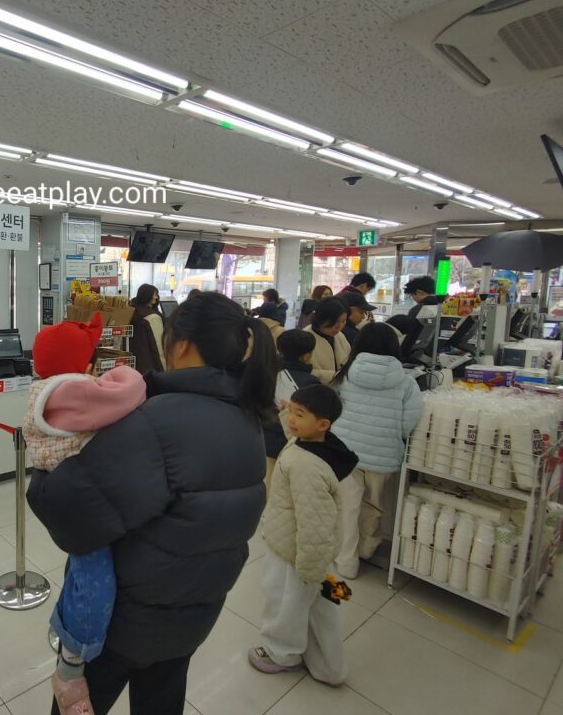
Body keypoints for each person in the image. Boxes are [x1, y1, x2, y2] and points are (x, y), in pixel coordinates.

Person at [28, 292, 277, 715]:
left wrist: (47, 462)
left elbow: (67, 509)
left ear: (181, 345)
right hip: (196, 611)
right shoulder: (249, 419)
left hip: (124, 621)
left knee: (78, 703)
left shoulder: (157, 422)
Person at [23, 312, 146, 715]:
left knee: (79, 570)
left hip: (68, 503)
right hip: (86, 508)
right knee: (97, 581)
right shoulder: (73, 390)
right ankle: (74, 661)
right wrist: (114, 372)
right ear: (82, 364)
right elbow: (132, 389)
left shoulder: (46, 389)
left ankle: (65, 630)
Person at [249, 384, 358, 685]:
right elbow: (294, 433)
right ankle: (329, 665)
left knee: (285, 604)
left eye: (300, 414)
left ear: (322, 424)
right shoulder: (320, 445)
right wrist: (290, 411)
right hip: (314, 555)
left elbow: (315, 521)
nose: (292, 420)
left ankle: (280, 653)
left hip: (294, 553)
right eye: (292, 412)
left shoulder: (305, 466)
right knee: (323, 609)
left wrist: (310, 566)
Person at [331, 323, 423, 579]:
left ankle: (346, 561)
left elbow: (334, 409)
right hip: (383, 455)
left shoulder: (346, 375)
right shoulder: (406, 383)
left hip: (345, 453)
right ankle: (367, 549)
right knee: (375, 505)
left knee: (347, 507)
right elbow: (408, 424)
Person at [263, 330, 321, 491]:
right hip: (293, 445)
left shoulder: (266, 373)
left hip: (264, 441)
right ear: (306, 356)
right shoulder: (311, 383)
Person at [306, 298, 351, 384]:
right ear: (321, 318)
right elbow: (299, 371)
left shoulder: (340, 336)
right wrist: (332, 376)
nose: (339, 327)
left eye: (343, 321)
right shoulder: (305, 338)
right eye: (335, 322)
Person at [129, 284, 165, 375]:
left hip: (133, 365)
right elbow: (158, 347)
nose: (156, 297)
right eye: (155, 294)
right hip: (149, 367)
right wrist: (165, 370)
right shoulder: (152, 317)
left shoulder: (131, 312)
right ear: (148, 296)